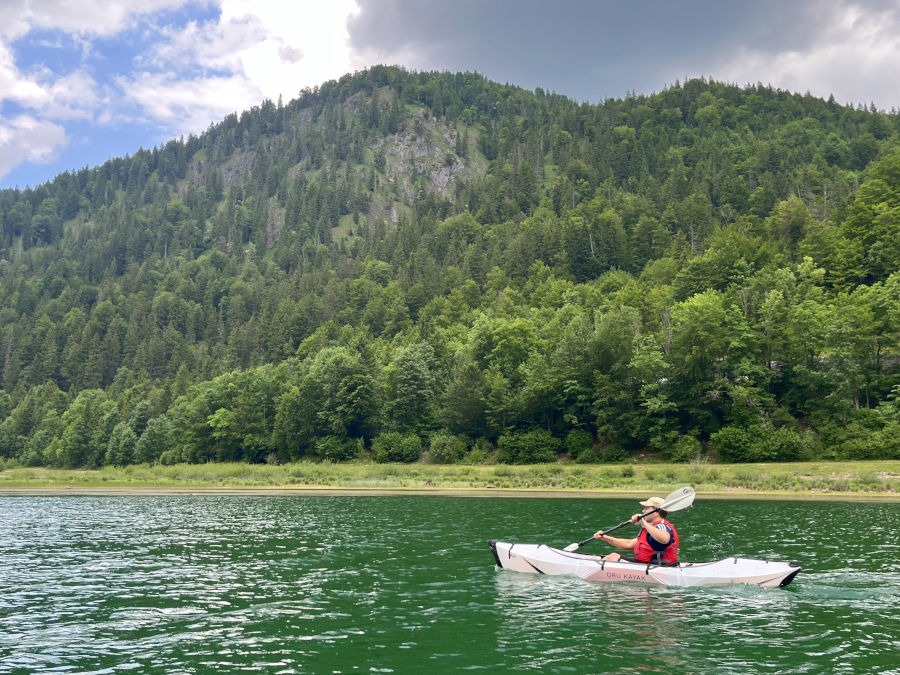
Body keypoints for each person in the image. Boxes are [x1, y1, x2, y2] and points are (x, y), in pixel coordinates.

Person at [593, 496, 679, 564]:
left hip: (658, 567)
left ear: (656, 512)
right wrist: (605, 538)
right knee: (613, 556)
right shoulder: (650, 527)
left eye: (646, 508)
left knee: (612, 558)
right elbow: (630, 544)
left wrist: (643, 523)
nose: (643, 510)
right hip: (647, 565)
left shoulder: (662, 526)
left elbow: (664, 539)